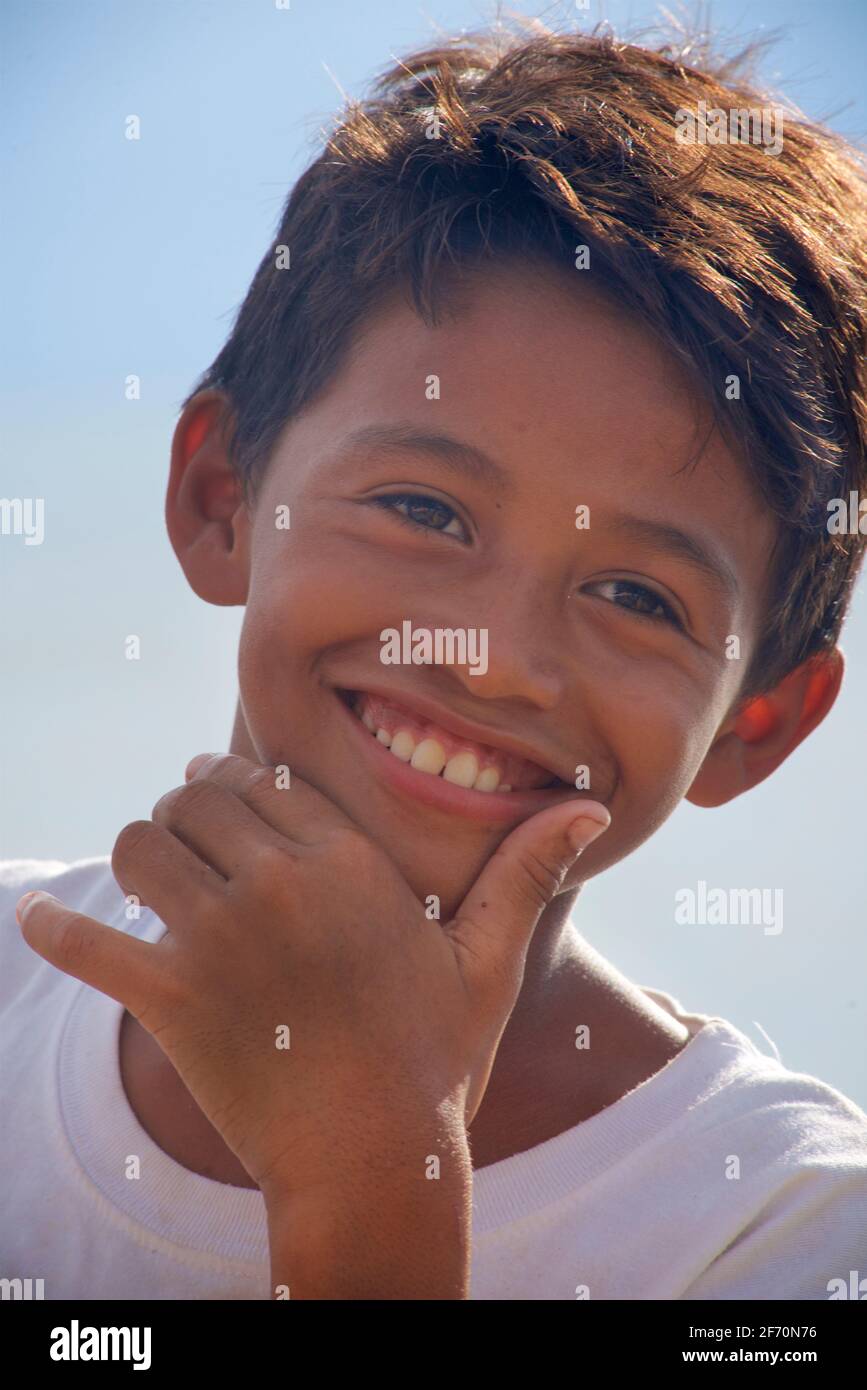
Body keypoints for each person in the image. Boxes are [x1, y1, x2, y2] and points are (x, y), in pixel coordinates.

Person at [3, 17, 867, 1300]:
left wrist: (371, 1180)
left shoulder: (779, 1238)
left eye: (637, 594)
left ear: (757, 723)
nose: (495, 660)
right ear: (222, 497)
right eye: (424, 511)